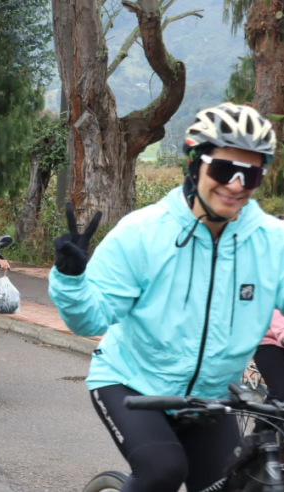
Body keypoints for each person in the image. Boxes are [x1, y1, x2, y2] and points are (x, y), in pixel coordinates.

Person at [48, 103, 284, 492]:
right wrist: (71, 279)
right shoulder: (143, 233)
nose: (237, 184)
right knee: (163, 470)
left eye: (252, 173)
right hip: (131, 383)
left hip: (210, 398)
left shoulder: (271, 243)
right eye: (225, 169)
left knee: (239, 485)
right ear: (194, 165)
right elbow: (89, 320)